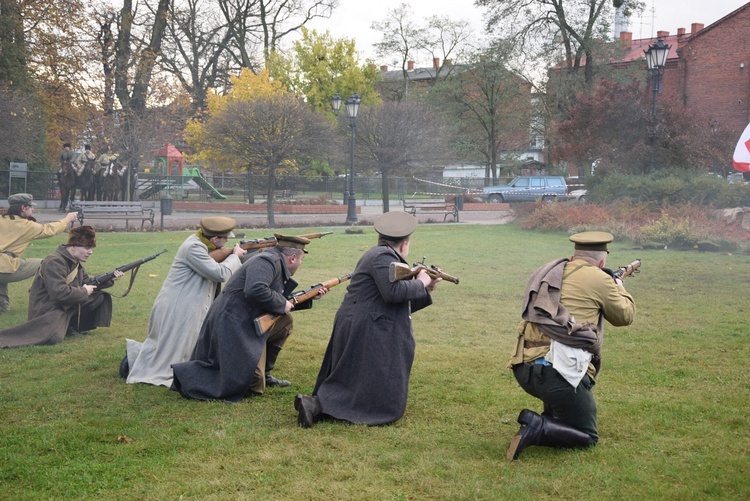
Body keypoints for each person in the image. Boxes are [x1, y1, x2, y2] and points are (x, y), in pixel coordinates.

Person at [295, 211, 441, 428]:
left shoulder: (381, 255)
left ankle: (317, 405)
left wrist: (426, 287)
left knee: (353, 376)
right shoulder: (382, 257)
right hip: (365, 323)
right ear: (405, 243)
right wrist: (420, 283)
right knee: (362, 377)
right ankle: (317, 405)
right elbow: (392, 293)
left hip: (364, 319)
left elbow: (393, 296)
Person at [505, 231, 636, 460]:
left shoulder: (550, 271)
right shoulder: (601, 278)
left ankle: (551, 418)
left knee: (563, 410)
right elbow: (624, 316)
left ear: (575, 255)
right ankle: (536, 426)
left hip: (524, 369)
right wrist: (618, 285)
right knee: (587, 435)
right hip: (559, 374)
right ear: (602, 261)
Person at [171, 234, 325, 402]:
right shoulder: (266, 262)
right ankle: (190, 376)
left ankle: (265, 373)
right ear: (293, 258)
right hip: (232, 323)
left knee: (285, 321)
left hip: (247, 319)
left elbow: (275, 299)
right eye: (301, 259)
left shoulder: (274, 261)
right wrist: (281, 304)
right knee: (254, 385)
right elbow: (255, 290)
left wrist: (309, 297)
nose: (301, 264)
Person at [122, 217, 246, 387]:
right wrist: (235, 256)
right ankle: (133, 359)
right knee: (170, 352)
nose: (227, 242)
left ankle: (140, 360)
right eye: (225, 239)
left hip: (187, 303)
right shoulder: (193, 247)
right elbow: (220, 274)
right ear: (215, 239)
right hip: (178, 305)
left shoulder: (202, 244)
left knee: (175, 349)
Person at [0, 226, 123, 348]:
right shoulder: (54, 262)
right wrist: (84, 291)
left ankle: (71, 327)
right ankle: (62, 327)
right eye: (86, 248)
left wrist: (109, 278)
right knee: (54, 337)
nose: (90, 252)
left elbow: (87, 282)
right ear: (73, 247)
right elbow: (59, 293)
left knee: (99, 297)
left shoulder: (75, 262)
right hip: (47, 310)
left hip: (63, 305)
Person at [0, 193, 78, 314]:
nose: (33, 209)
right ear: (23, 208)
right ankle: (62, 294)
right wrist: (68, 219)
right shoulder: (26, 226)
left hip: (3, 266)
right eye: (31, 206)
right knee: (46, 264)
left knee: (4, 270)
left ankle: (3, 308)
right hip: (4, 266)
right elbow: (50, 229)